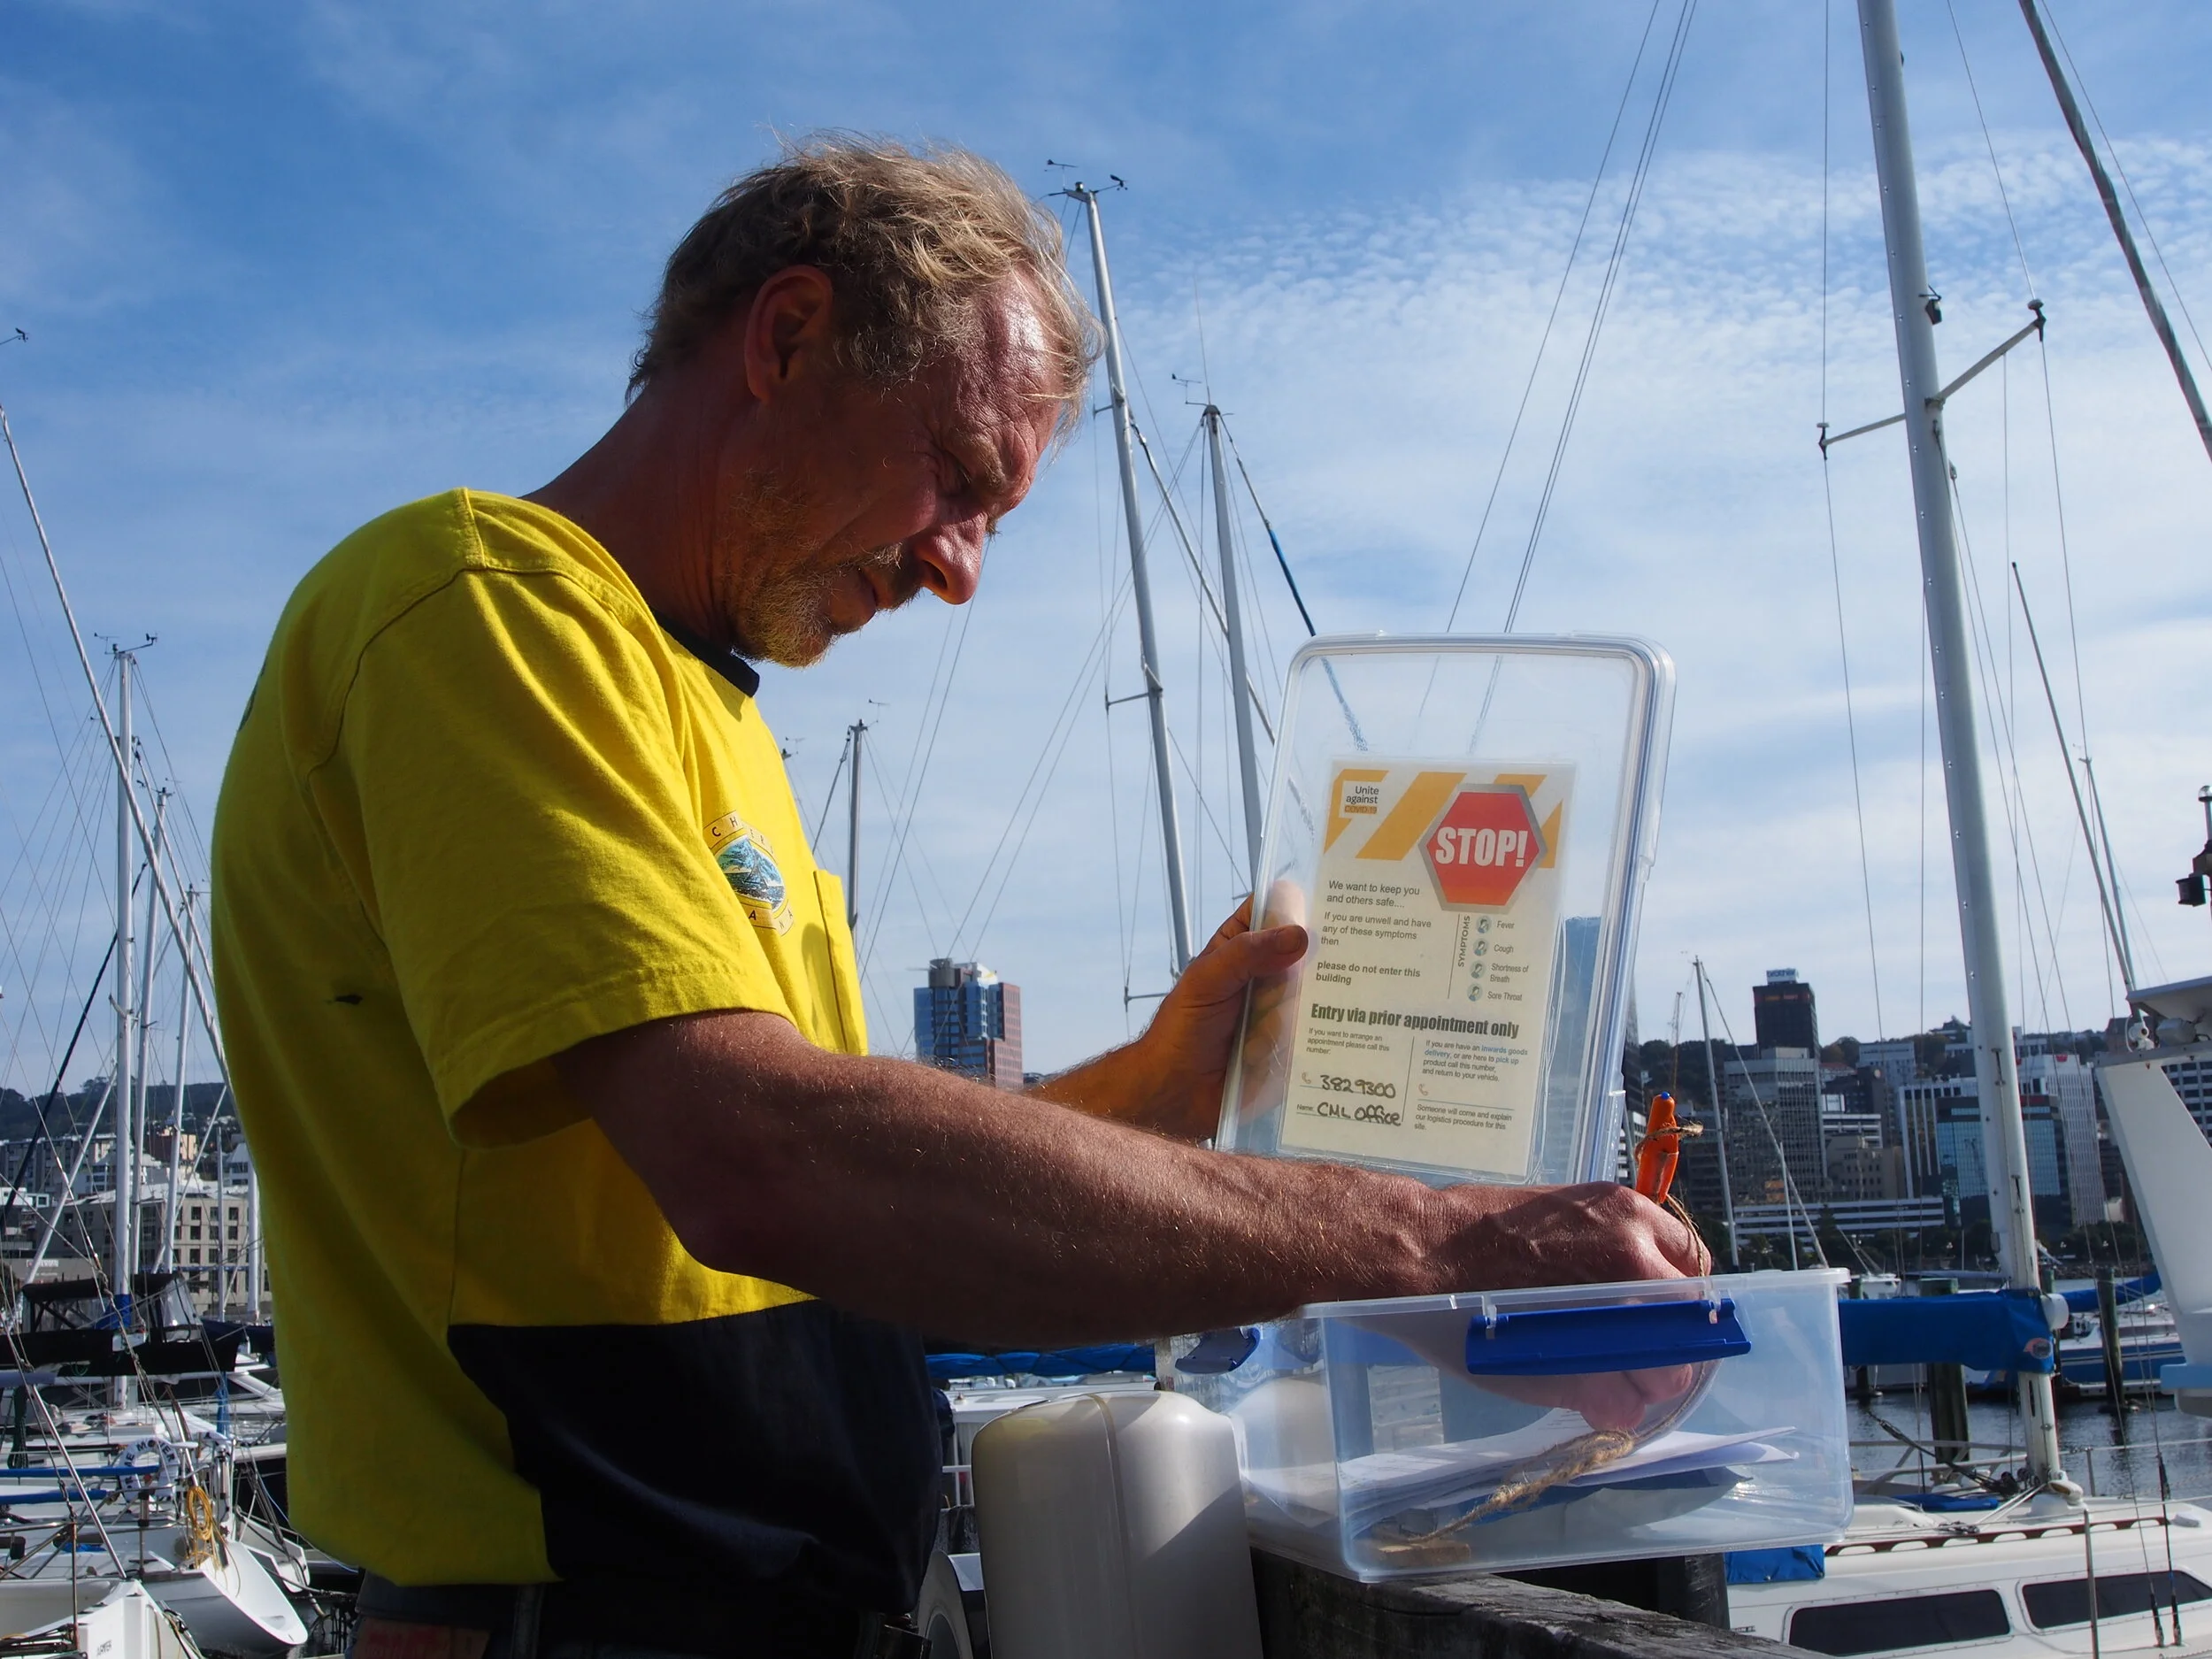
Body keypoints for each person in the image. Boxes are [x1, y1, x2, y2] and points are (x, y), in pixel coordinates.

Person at [211, 136, 1702, 1659]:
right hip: (576, 1622)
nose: (964, 570)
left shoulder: (702, 701)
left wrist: (1163, 1086)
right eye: (962, 478)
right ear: (788, 337)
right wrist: (1440, 1247)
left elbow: (861, 1219)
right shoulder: (480, 606)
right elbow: (757, 1155)